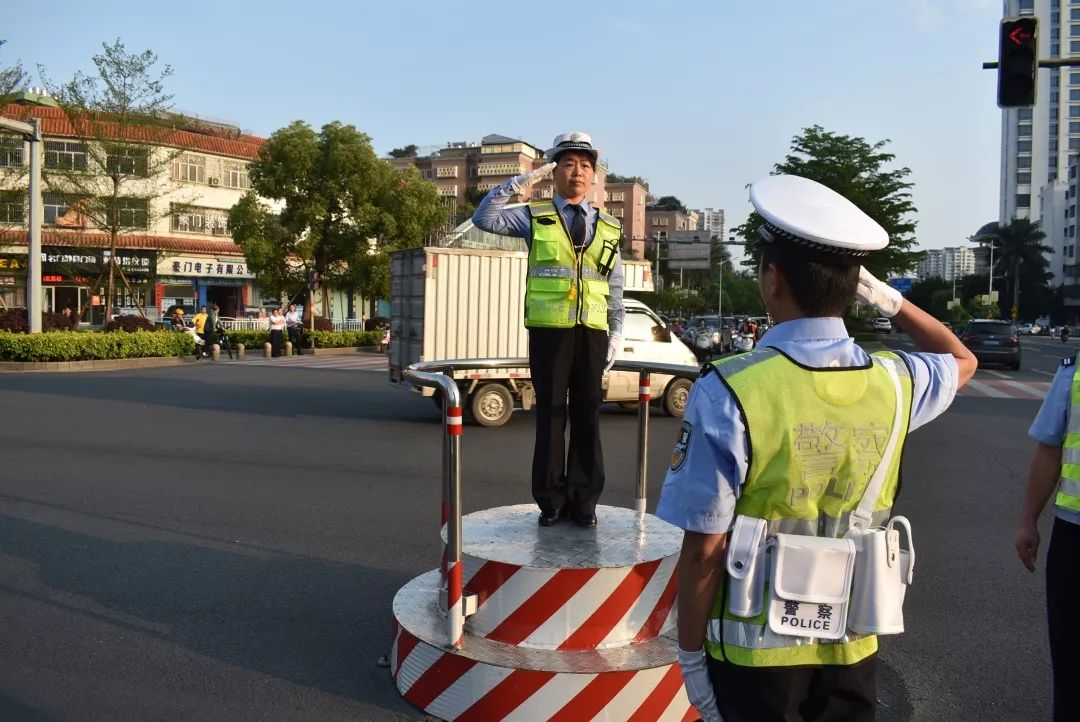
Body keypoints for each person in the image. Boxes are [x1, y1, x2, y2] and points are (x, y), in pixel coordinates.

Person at [657, 175, 977, 722]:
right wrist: (890, 300)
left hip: (753, 660)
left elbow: (703, 549)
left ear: (772, 277)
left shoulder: (732, 387)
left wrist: (689, 660)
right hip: (852, 651)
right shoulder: (896, 382)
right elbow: (961, 358)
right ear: (854, 287)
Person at [473, 131, 624, 528]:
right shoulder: (533, 215)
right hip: (549, 331)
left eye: (586, 165)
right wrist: (524, 180)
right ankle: (551, 501)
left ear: (594, 176)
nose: (578, 172)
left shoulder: (609, 226)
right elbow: (484, 217)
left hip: (591, 332)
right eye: (569, 163)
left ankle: (585, 502)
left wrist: (617, 332)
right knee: (551, 417)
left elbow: (615, 288)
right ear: (555, 170)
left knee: (588, 416)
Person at [1016, 351, 1080, 721]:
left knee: (1072, 659)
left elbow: (1049, 447)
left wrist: (1029, 521)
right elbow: (1049, 449)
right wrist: (1028, 520)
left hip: (1075, 538)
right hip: (1074, 534)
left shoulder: (1076, 371)